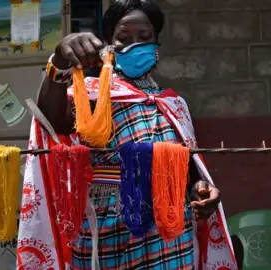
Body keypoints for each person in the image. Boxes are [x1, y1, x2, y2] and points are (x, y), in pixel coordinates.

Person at [17, 0, 237, 269]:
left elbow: (189, 168)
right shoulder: (93, 95)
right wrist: (60, 60)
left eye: (145, 37)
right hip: (108, 230)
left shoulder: (173, 104)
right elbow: (51, 121)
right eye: (124, 38)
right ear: (109, 44)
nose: (134, 45)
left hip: (171, 233)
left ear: (157, 46)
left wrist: (200, 188)